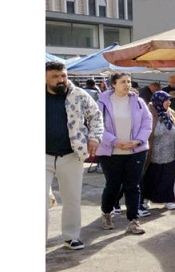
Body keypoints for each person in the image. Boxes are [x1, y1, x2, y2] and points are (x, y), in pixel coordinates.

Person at [46, 61, 103, 250]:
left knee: (72, 198)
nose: (61, 80)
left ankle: (71, 236)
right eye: (55, 76)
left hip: (72, 155)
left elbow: (96, 116)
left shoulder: (78, 95)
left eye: (63, 75)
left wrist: (94, 138)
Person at [96, 72, 154, 235]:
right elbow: (96, 125)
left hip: (135, 151)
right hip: (110, 151)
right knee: (113, 185)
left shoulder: (139, 101)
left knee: (133, 186)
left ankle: (133, 221)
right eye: (123, 82)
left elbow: (147, 122)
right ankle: (107, 213)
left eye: (128, 81)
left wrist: (138, 141)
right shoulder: (102, 103)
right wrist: (115, 141)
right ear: (113, 84)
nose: (127, 85)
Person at [140, 91, 175, 212]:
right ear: (159, 101)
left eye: (169, 100)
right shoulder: (149, 113)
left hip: (170, 153)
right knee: (150, 178)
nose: (169, 103)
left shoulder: (171, 113)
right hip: (153, 154)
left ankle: (169, 200)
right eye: (167, 100)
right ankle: (146, 199)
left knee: (168, 178)